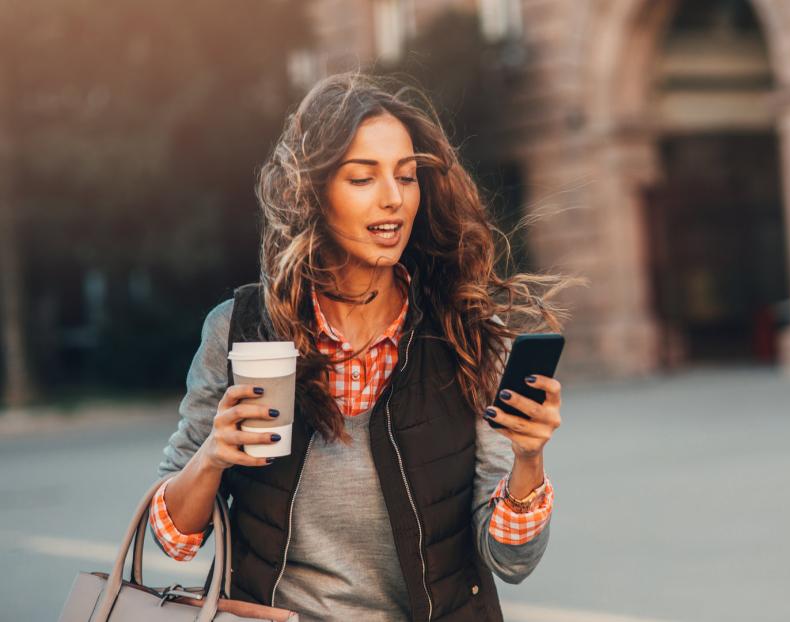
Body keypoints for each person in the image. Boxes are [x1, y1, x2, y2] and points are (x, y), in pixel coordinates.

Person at [149, 70, 581, 621]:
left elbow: (510, 559)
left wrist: (528, 459)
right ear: (314, 191)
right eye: (362, 178)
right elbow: (175, 539)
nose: (393, 200)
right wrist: (212, 455)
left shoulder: (467, 336)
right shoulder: (239, 330)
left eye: (406, 176)